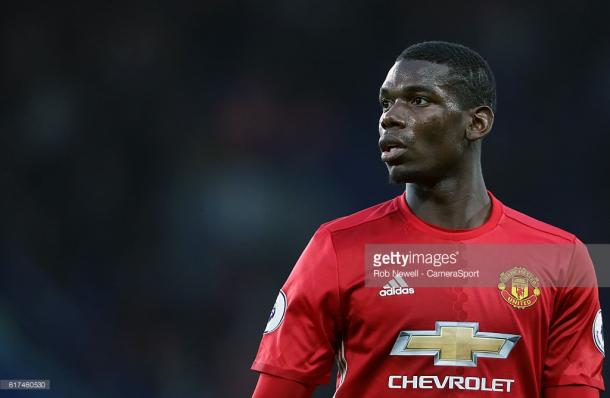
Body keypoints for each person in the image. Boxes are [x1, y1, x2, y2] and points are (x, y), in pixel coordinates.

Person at [250, 41, 604, 397]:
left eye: (418, 100)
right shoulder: (338, 248)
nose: (390, 116)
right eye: (386, 103)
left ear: (477, 123)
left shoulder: (559, 258)